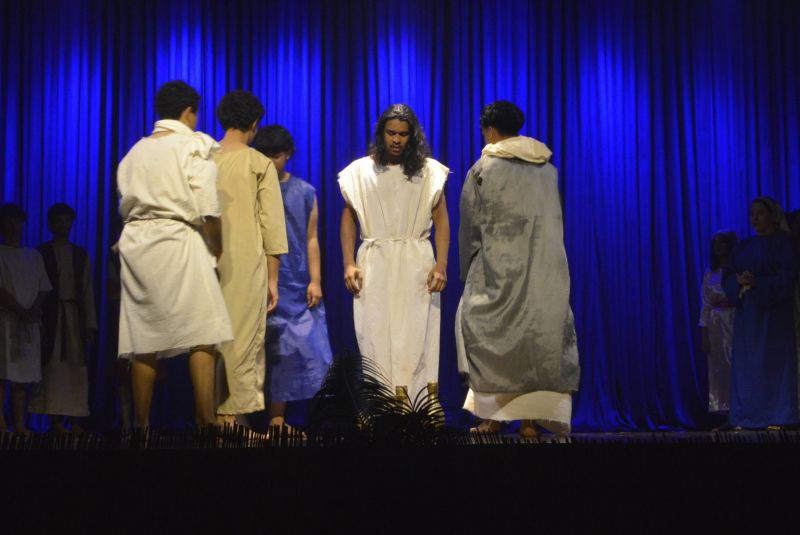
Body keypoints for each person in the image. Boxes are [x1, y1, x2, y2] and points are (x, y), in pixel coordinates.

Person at [456, 101, 579, 437]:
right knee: (536, 343)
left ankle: (493, 419)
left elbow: (471, 227)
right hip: (545, 269)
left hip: (499, 269)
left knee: (491, 339)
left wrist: (469, 271)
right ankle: (528, 423)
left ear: (489, 130)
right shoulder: (548, 169)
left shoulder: (483, 169)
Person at [116, 80, 233, 429]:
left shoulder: (135, 151)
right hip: (178, 237)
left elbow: (127, 201)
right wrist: (217, 246)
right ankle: (205, 421)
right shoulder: (191, 144)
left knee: (144, 336)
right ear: (188, 112)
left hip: (137, 243)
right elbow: (208, 206)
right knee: (203, 331)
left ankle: (141, 426)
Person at [338, 104, 449, 404]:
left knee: (416, 335)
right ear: (381, 133)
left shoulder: (428, 171)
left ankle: (416, 407)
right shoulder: (361, 171)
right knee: (374, 332)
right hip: (376, 262)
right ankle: (381, 406)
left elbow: (441, 219)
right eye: (391, 133)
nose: (397, 140)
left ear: (412, 136)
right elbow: (348, 218)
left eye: (403, 134)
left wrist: (441, 264)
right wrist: (348, 262)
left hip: (416, 262)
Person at [212, 91, 288, 419]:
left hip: (202, 260)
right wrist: (273, 279)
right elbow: (271, 225)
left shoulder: (200, 158)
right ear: (254, 124)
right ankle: (231, 421)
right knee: (242, 339)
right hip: (243, 263)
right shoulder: (258, 163)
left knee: (206, 344)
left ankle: (209, 419)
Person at [254, 125, 333, 429]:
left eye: (276, 155)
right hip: (262, 278)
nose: (271, 161)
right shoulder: (255, 188)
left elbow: (311, 238)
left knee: (304, 350)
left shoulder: (304, 191)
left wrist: (316, 280)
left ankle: (292, 418)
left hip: (296, 279)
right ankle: (262, 418)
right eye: (265, 156)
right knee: (268, 351)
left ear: (288, 155)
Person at [722, 197, 799, 429]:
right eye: (752, 214)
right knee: (748, 366)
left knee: (775, 362)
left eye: (760, 213)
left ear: (772, 216)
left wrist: (759, 284)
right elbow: (727, 275)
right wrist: (739, 283)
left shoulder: (785, 243)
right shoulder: (743, 246)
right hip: (749, 316)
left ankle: (779, 414)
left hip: (774, 313)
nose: (755, 218)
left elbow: (787, 276)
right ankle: (747, 415)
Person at [29, 203, 97, 433]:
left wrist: (89, 324)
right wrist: (37, 321)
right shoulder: (41, 252)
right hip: (51, 316)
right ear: (51, 223)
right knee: (53, 370)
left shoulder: (80, 254)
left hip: (73, 318)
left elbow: (87, 291)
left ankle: (76, 420)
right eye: (58, 220)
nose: (62, 224)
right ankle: (56, 421)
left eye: (66, 220)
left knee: (75, 370)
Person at [0, 203, 52, 434]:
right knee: (2, 375)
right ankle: (2, 425)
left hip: (29, 322)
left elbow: (44, 287)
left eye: (17, 221)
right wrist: (21, 311)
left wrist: (32, 312)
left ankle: (19, 424)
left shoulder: (33, 255)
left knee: (22, 377)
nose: (13, 226)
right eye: (8, 221)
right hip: (5, 320)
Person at [698, 231, 737, 417]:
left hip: (735, 318)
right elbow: (705, 305)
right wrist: (704, 334)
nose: (719, 247)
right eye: (716, 244)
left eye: (722, 243)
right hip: (716, 323)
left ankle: (742, 408)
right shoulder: (710, 273)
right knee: (719, 367)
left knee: (736, 362)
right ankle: (724, 409)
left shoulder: (736, 270)